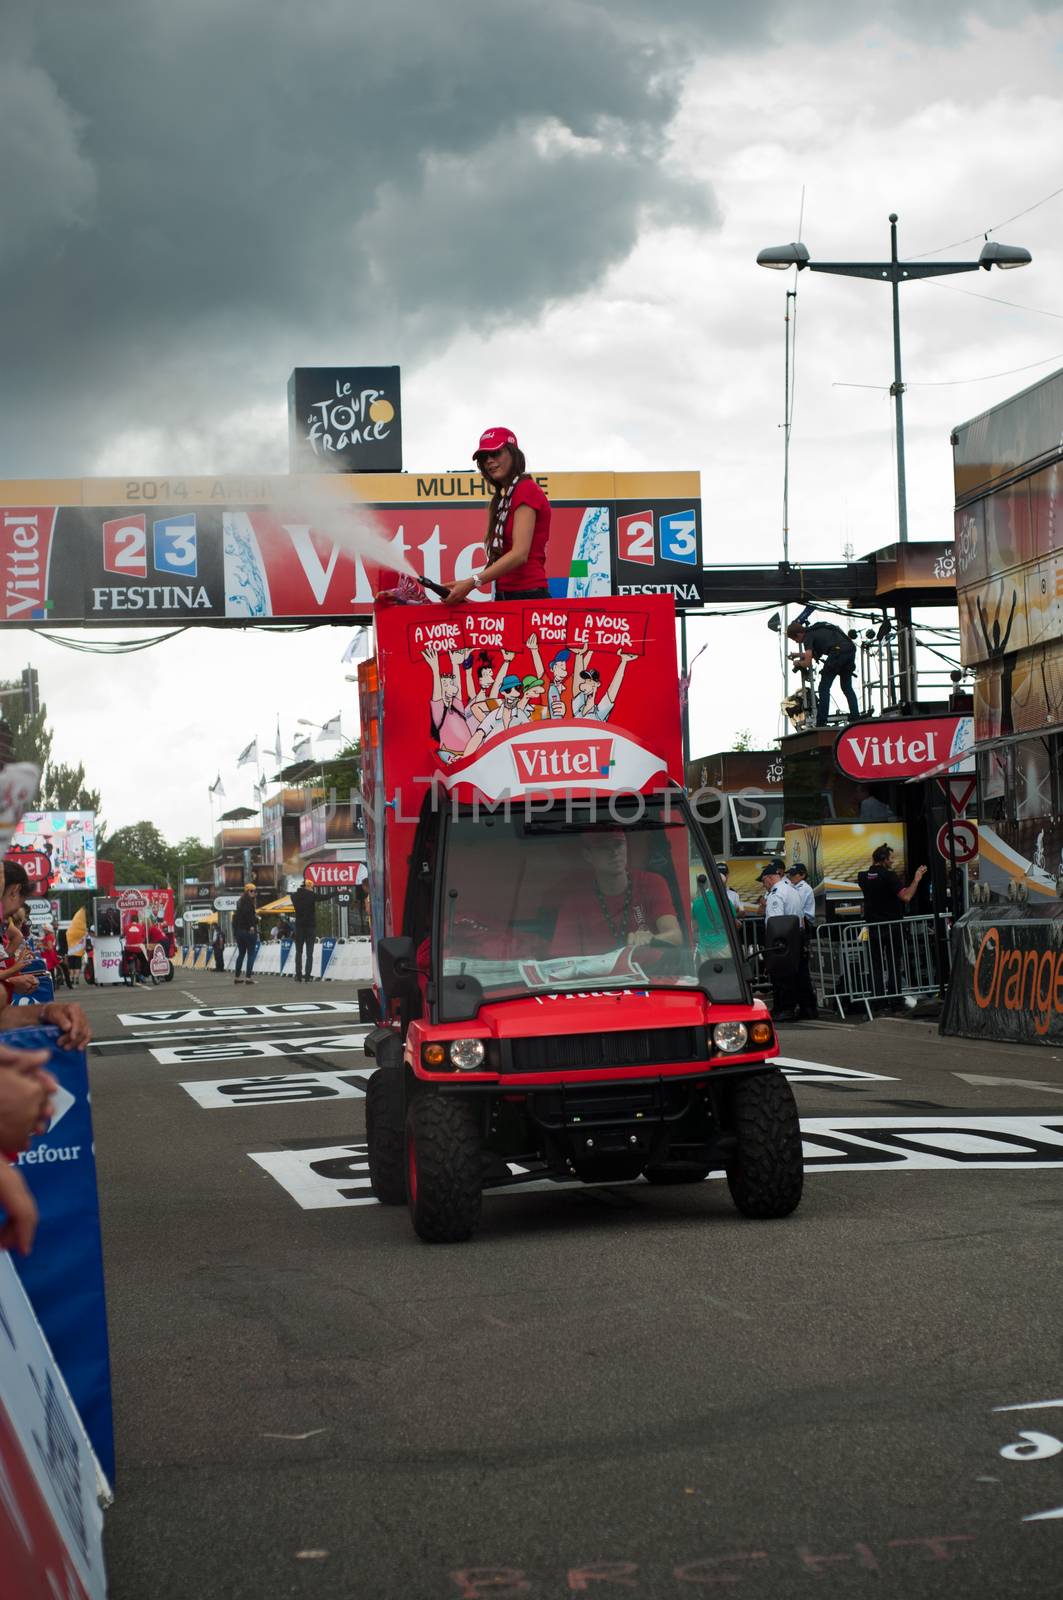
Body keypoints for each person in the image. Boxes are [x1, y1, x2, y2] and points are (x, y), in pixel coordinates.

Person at [443, 428, 552, 603]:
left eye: (495, 453)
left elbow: (519, 554)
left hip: (528, 595)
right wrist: (464, 586)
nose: (489, 461)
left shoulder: (526, 489)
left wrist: (472, 583)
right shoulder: (504, 498)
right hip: (508, 596)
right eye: (484, 457)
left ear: (513, 454)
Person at [552, 829, 682, 958]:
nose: (614, 853)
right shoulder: (576, 900)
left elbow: (676, 936)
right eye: (603, 847)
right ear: (588, 855)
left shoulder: (651, 883)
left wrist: (652, 938)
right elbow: (562, 960)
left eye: (618, 844)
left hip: (652, 974)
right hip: (599, 977)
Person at [857, 844, 928, 1002]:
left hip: (872, 928)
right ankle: (895, 999)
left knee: (875, 965)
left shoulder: (862, 876)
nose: (893, 862)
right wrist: (916, 879)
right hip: (891, 926)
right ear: (883, 859)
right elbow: (906, 897)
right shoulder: (890, 876)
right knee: (893, 964)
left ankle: (878, 1000)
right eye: (891, 858)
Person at [756, 863, 805, 1022]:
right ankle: (798, 1007)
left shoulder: (776, 894)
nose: (764, 885)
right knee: (795, 975)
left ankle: (784, 1008)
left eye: (764, 882)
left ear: (769, 878)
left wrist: (772, 943)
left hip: (781, 939)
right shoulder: (791, 889)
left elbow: (775, 921)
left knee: (780, 975)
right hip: (795, 935)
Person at [787, 618, 859, 724]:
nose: (797, 642)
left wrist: (797, 663)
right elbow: (811, 654)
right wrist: (797, 655)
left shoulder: (807, 637)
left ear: (798, 634)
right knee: (846, 687)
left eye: (795, 639)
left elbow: (807, 662)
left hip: (837, 653)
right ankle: (855, 716)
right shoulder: (815, 630)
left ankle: (821, 720)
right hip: (849, 650)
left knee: (824, 687)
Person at [786, 864, 818, 1021]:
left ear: (802, 875)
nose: (791, 877)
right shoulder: (792, 887)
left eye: (794, 875)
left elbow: (803, 913)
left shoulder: (804, 889)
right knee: (798, 971)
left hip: (802, 928)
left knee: (802, 971)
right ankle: (804, 1006)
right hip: (796, 928)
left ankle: (809, 1007)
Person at [291, 879, 317, 982]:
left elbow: (294, 897)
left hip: (299, 927)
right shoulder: (311, 895)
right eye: (311, 887)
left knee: (299, 952)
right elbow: (324, 897)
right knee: (309, 953)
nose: (312, 889)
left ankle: (298, 975)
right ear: (307, 886)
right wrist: (337, 892)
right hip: (310, 927)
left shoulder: (294, 896)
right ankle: (307, 976)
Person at [232, 883, 259, 984]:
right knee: (251, 953)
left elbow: (236, 919)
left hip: (239, 932)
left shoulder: (239, 902)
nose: (254, 893)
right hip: (248, 931)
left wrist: (235, 932)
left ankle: (237, 977)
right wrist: (252, 924)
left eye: (255, 891)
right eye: (252, 891)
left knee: (241, 954)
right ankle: (248, 977)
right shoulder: (248, 902)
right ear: (247, 891)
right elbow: (249, 915)